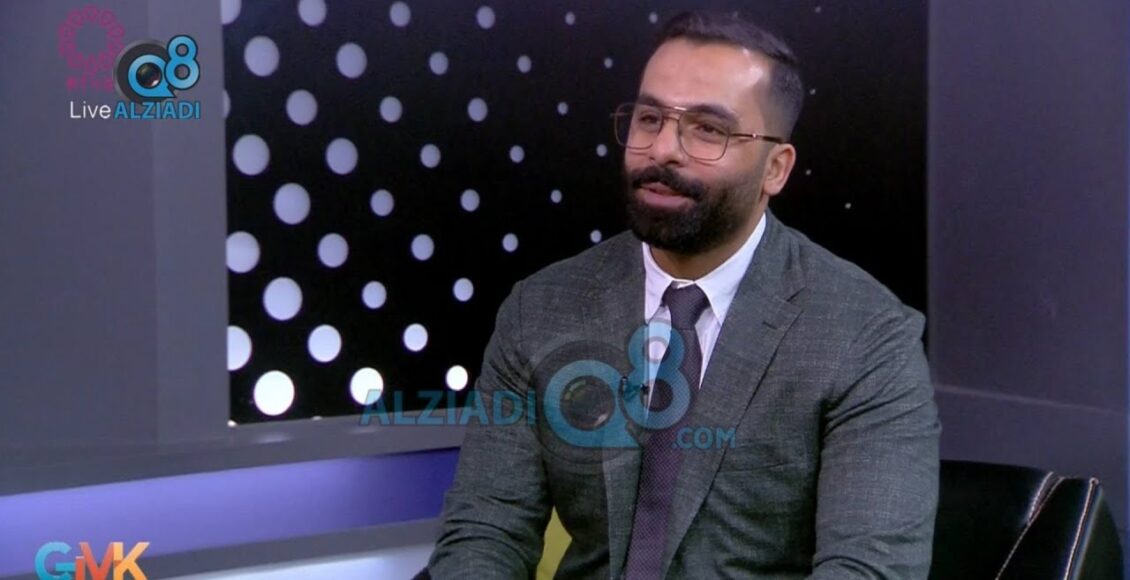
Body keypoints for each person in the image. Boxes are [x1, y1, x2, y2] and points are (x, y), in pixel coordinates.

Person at [425, 10, 940, 579]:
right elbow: (485, 532)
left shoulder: (867, 336)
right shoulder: (541, 307)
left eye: (708, 129)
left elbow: (870, 569)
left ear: (776, 169)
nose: (663, 149)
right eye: (650, 119)